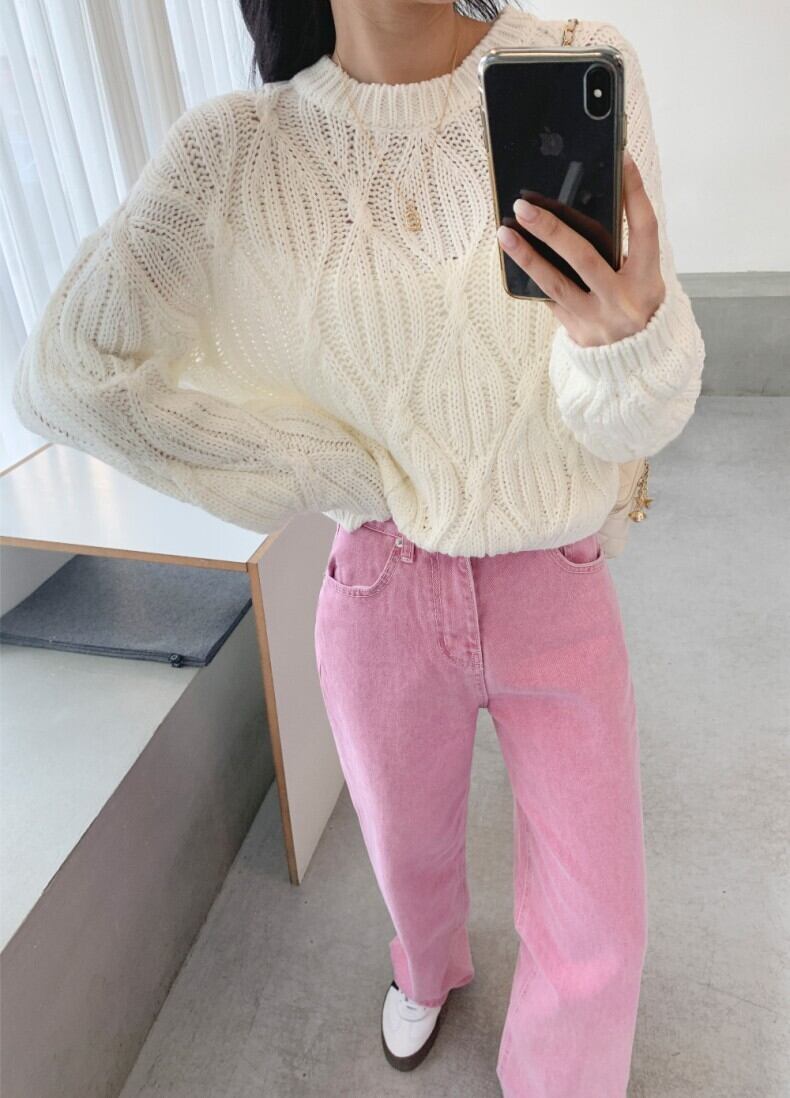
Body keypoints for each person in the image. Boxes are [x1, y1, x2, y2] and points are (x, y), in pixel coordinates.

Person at [12, 1, 705, 1094]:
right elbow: (67, 373)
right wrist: (329, 468)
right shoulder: (236, 151)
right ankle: (424, 966)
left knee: (600, 913)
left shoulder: (576, 64)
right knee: (405, 846)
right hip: (382, 582)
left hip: (555, 576)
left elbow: (628, 423)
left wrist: (625, 346)